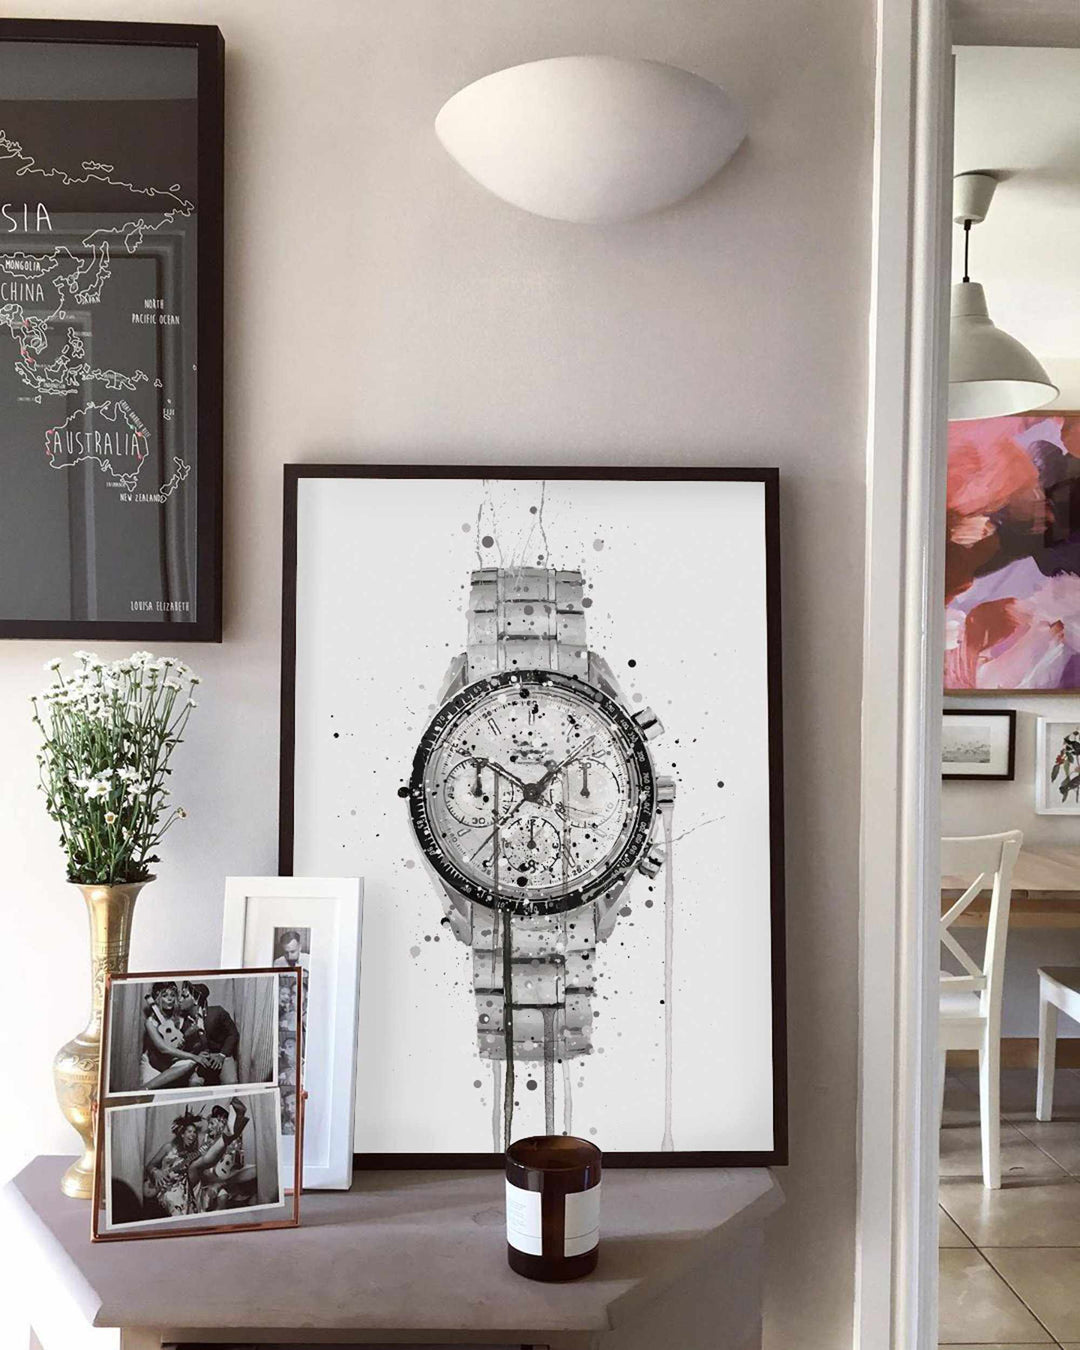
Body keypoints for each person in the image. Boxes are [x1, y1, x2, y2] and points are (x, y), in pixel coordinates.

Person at [142, 1099, 250, 1218]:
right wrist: (156, 1172)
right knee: (198, 1165)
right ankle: (231, 1130)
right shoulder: (168, 1147)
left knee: (198, 1164)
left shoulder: (194, 1152)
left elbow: (206, 1164)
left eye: (194, 1132)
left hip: (185, 1185)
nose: (192, 1135)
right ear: (182, 1134)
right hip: (168, 1189)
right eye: (189, 1132)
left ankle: (230, 1130)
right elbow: (149, 1165)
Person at [138, 982, 204, 1089]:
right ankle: (144, 1089)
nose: (170, 999)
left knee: (191, 1066)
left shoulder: (182, 1019)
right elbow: (163, 1049)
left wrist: (189, 1038)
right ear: (157, 999)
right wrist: (194, 1057)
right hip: (154, 1065)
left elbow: (194, 1045)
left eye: (172, 995)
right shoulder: (150, 1022)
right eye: (165, 996)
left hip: (174, 1064)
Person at [178, 981, 240, 1085]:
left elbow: (233, 1034)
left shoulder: (217, 1012)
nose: (180, 1000)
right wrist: (196, 1055)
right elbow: (183, 1049)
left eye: (184, 997)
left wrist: (222, 1055)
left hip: (222, 1054)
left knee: (231, 1082)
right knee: (194, 1082)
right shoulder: (183, 1022)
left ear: (196, 1000)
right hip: (200, 1059)